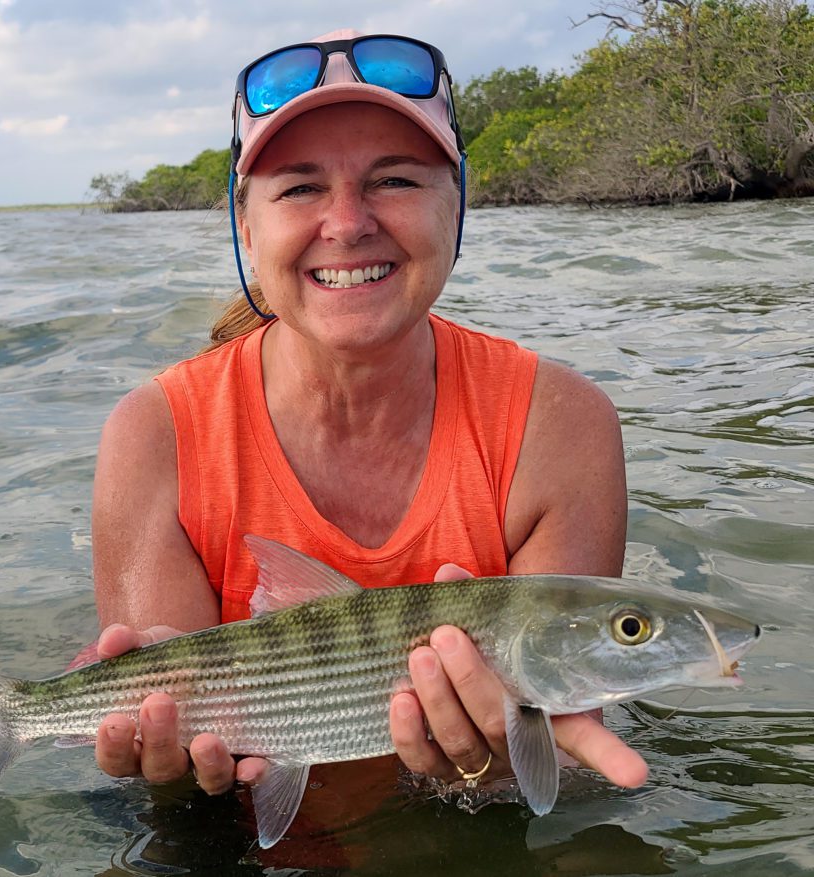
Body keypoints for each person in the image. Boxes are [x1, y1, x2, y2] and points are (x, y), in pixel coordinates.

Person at [87, 27, 645, 818]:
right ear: (245, 225)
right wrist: (159, 762)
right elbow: (184, 772)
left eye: (394, 180)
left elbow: (550, 744)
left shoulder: (562, 423)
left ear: (460, 203)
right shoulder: (155, 433)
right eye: (299, 187)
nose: (347, 224)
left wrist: (497, 765)